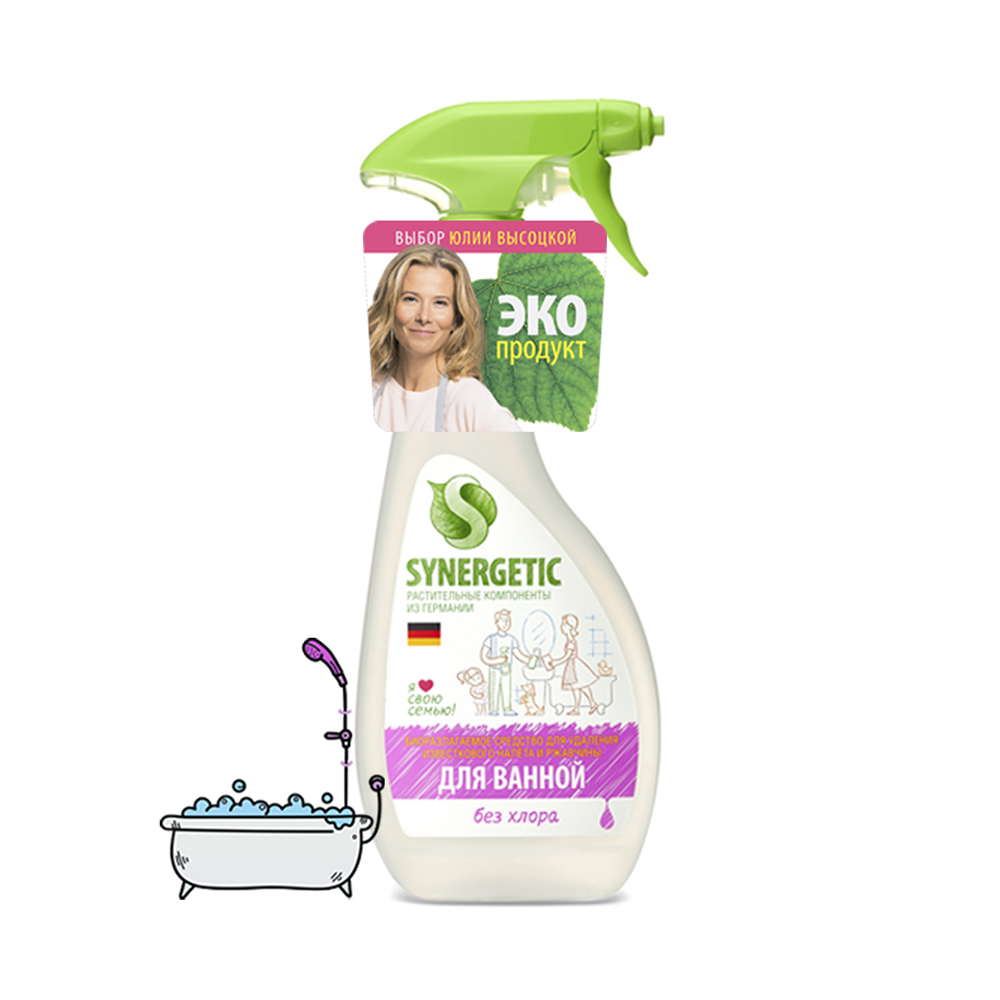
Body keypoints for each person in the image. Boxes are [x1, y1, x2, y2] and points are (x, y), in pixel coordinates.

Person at [369, 245, 520, 431]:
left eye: (440, 303)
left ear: (456, 318)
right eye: (410, 299)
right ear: (389, 307)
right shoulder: (370, 390)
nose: (424, 317)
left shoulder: (468, 399)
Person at [549, 614, 600, 715]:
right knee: (581, 687)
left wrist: (555, 662)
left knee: (578, 687)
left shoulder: (571, 643)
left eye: (565, 625)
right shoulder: (570, 641)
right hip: (573, 665)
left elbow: (567, 657)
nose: (562, 627)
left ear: (571, 627)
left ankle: (579, 708)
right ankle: (590, 704)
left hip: (574, 667)